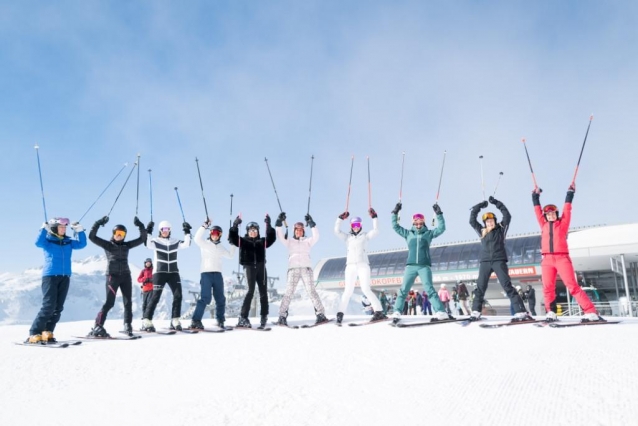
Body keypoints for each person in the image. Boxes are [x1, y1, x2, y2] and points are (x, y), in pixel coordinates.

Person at [532, 185, 601, 322]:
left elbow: (567, 210)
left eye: (553, 213)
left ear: (556, 214)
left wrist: (569, 194)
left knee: (572, 286)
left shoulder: (563, 224)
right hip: (546, 260)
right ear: (545, 216)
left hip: (562, 257)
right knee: (548, 288)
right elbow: (537, 211)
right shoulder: (543, 224)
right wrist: (535, 197)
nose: (550, 215)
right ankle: (551, 312)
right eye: (548, 214)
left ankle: (590, 311)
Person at [26, 218, 87, 343]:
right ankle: (34, 333)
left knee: (58, 307)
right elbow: (38, 243)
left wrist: (79, 231)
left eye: (65, 228)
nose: (63, 230)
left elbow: (82, 244)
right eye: (61, 227)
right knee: (48, 306)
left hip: (65, 276)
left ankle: (47, 331)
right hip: (50, 276)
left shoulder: (68, 242)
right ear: (54, 228)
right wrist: (43, 229)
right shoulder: (48, 241)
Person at [469, 196, 530, 321]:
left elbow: (507, 215)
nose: (489, 223)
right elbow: (472, 220)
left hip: (499, 260)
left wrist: (496, 203)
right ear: (485, 223)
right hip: (485, 261)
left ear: (495, 221)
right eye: (487, 222)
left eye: (491, 221)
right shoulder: (482, 231)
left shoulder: (501, 229)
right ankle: (475, 311)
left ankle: (520, 311)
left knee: (506, 285)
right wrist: (479, 206)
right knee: (480, 286)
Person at [87, 216, 148, 337]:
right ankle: (98, 326)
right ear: (113, 233)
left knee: (128, 302)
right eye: (117, 233)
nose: (119, 235)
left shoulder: (127, 245)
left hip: (126, 276)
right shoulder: (108, 245)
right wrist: (98, 223)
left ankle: (127, 325)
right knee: (110, 303)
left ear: (124, 235)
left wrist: (140, 225)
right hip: (112, 277)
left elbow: (142, 238)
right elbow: (92, 237)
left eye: (122, 233)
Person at [390, 202, 449, 323]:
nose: (418, 225)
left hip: (424, 266)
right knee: (403, 290)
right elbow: (395, 226)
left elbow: (441, 228)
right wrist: (395, 212)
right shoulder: (408, 234)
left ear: (423, 223)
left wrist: (439, 214)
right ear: (413, 223)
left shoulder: (428, 234)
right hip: (410, 266)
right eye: (416, 223)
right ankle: (397, 311)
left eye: (420, 223)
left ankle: (441, 312)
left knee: (429, 289)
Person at [334, 208, 387, 324]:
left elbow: (376, 230)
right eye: (354, 224)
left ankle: (379, 312)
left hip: (363, 264)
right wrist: (340, 219)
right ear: (351, 226)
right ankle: (340, 314)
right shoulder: (348, 238)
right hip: (350, 265)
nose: (356, 227)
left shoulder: (365, 236)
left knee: (366, 289)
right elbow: (336, 231)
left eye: (358, 224)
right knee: (348, 291)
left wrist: (374, 217)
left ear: (361, 225)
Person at [274, 213, 328, 326]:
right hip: (293, 269)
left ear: (303, 231)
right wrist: (279, 221)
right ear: (294, 231)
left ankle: (321, 314)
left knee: (311, 291)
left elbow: (316, 236)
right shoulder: (289, 241)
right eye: (297, 230)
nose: (299, 231)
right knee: (288, 293)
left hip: (306, 269)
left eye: (301, 229)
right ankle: (282, 316)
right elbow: (279, 235)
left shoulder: (307, 241)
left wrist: (312, 224)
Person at [141, 220, 192, 332]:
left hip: (173, 272)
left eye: (167, 229)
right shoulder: (155, 241)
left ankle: (175, 320)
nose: (165, 231)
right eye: (163, 229)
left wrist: (187, 232)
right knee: (156, 296)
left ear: (170, 230)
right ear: (160, 230)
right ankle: (147, 320)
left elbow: (187, 244)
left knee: (178, 295)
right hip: (159, 272)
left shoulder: (175, 241)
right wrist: (148, 231)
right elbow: (147, 244)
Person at [228, 215, 276, 328]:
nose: (253, 232)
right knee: (250, 290)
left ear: (258, 231)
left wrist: (269, 226)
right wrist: (235, 225)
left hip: (261, 267)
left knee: (263, 291)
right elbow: (232, 238)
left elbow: (271, 239)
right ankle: (243, 317)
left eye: (255, 230)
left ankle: (264, 315)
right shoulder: (243, 241)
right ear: (247, 232)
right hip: (249, 267)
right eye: (251, 230)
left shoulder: (262, 241)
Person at [190, 221, 236, 330]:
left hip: (218, 275)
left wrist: (232, 243)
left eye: (217, 233)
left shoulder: (221, 247)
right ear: (210, 233)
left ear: (220, 235)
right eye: (212, 233)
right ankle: (196, 320)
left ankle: (220, 320)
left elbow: (230, 256)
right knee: (206, 298)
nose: (214, 235)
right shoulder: (205, 243)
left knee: (220, 299)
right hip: (206, 274)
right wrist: (204, 226)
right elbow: (196, 238)